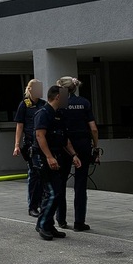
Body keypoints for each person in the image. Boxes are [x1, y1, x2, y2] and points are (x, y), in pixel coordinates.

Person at [31, 85, 81, 241]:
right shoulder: (43, 113)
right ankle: (43, 225)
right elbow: (40, 136)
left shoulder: (59, 114)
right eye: (65, 96)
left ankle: (48, 225)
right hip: (43, 158)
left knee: (57, 192)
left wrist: (74, 155)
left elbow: (64, 139)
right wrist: (49, 157)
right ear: (58, 97)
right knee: (52, 192)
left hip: (57, 156)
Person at [56, 76, 99, 232]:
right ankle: (79, 222)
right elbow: (93, 128)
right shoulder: (84, 102)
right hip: (83, 144)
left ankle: (61, 219)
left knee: (61, 182)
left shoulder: (60, 105)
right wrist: (95, 147)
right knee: (80, 185)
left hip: (64, 146)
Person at [13, 79, 46, 218]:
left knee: (43, 175)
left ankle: (42, 203)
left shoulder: (43, 104)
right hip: (31, 143)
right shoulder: (24, 104)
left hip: (42, 143)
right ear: (30, 89)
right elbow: (19, 125)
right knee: (34, 175)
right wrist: (16, 145)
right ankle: (32, 206)